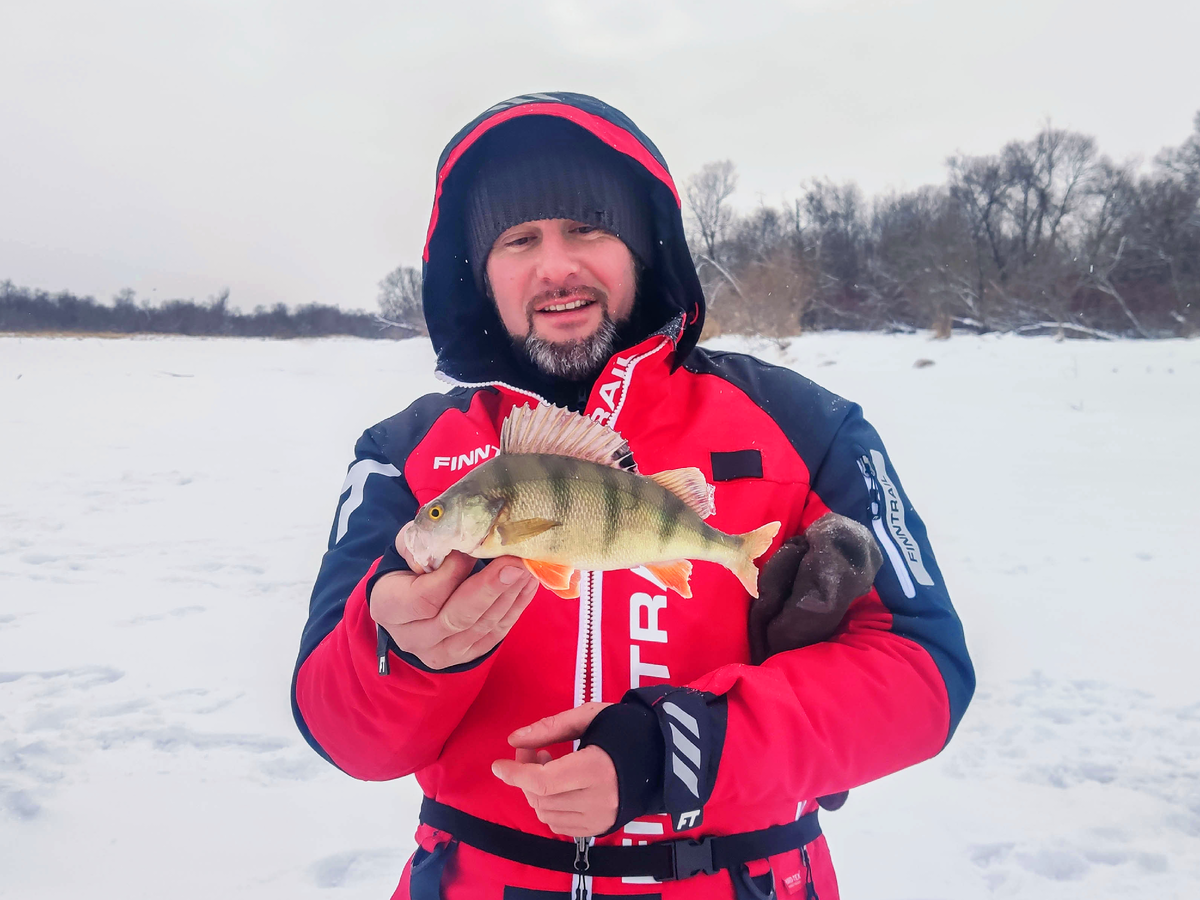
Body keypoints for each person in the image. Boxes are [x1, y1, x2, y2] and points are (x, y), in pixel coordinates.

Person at [291, 92, 974, 900]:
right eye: (519, 239)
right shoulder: (406, 457)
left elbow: (926, 678)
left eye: (587, 229)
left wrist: (682, 748)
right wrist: (399, 652)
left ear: (643, 248)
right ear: (480, 273)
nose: (555, 267)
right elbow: (345, 736)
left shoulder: (809, 428)